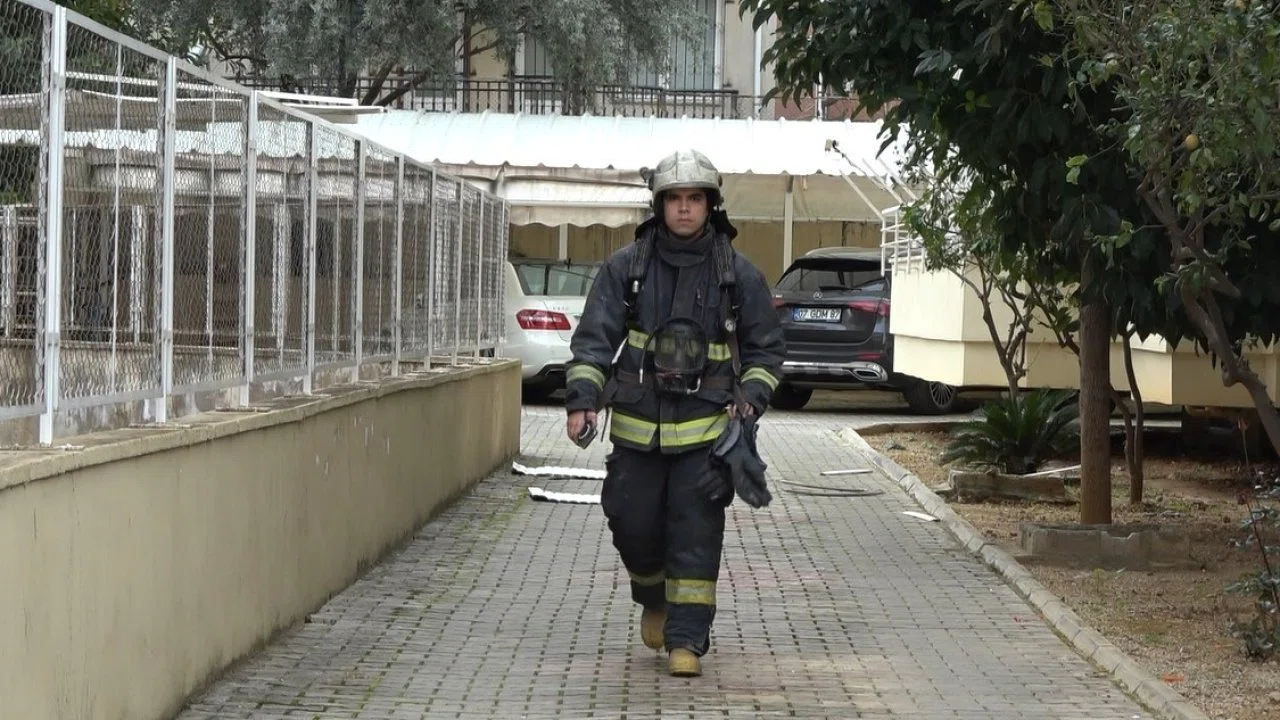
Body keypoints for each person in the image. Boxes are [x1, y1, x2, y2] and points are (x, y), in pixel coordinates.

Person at [563, 149, 785, 677]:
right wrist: (582, 402)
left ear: (711, 205)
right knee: (629, 519)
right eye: (675, 199)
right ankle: (653, 597)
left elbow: (766, 352)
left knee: (695, 531)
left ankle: (686, 639)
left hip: (706, 434)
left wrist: (749, 402)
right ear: (659, 205)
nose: (685, 208)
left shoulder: (738, 276)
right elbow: (594, 341)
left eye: (695, 198)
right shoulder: (626, 269)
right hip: (637, 431)